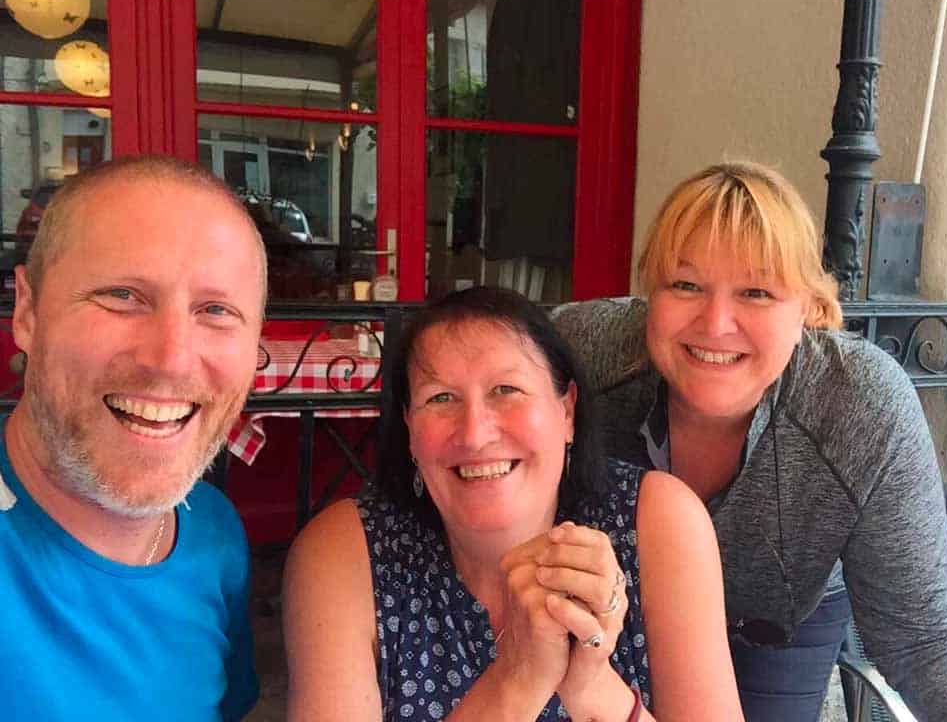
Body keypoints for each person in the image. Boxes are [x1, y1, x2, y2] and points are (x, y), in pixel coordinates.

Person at [554, 161, 947, 722]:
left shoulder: (861, 404)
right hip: (614, 611)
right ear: (649, 293)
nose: (716, 323)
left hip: (776, 621)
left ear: (809, 308)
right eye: (685, 285)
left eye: (756, 291)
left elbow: (925, 638)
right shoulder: (582, 357)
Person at [283, 286, 743, 721]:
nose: (475, 433)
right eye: (440, 398)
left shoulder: (657, 521)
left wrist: (591, 684)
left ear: (566, 411)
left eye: (507, 390)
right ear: (408, 431)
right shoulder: (346, 553)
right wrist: (518, 678)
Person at [0, 155, 265, 720]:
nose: (170, 359)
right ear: (27, 310)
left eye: (215, 310)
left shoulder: (213, 533)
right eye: (122, 295)